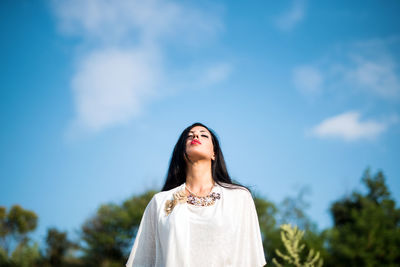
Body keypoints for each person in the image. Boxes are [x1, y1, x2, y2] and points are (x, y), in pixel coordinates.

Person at [126, 122, 267, 266]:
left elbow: (250, 258)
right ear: (182, 152)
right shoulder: (160, 202)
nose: (196, 135)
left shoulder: (239, 197)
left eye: (204, 135)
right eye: (189, 136)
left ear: (214, 153)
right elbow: (143, 261)